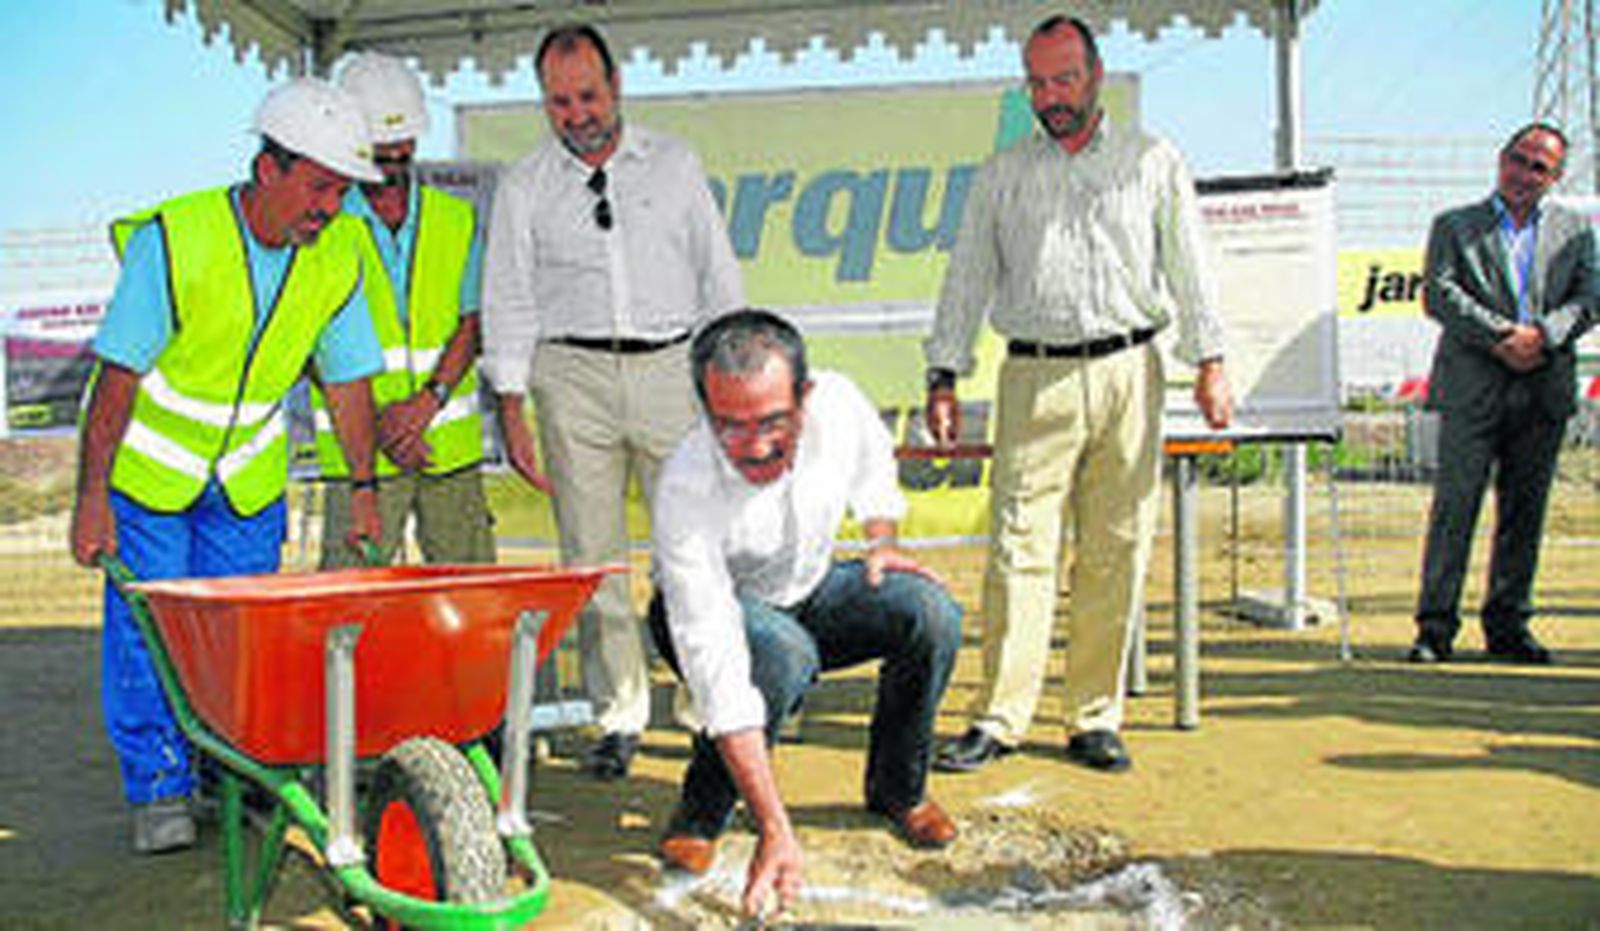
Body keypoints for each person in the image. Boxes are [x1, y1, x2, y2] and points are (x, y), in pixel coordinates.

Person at [69, 78, 385, 854]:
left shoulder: (340, 250)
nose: (330, 206)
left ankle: (229, 772)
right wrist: (90, 497)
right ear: (267, 168)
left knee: (240, 638)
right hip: (147, 478)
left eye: (342, 190)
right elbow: (118, 377)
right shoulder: (176, 238)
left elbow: (347, 381)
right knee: (150, 633)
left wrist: (365, 489)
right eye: (318, 186)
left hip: (244, 481)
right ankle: (158, 789)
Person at [924, 15, 1232, 775]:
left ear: (1096, 77)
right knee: (1017, 550)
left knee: (1116, 548)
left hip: (1132, 370)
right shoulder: (1001, 174)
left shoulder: (1152, 160)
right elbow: (966, 277)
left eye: (1064, 79)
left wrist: (1211, 357)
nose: (1051, 96)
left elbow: (1189, 264)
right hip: (1033, 376)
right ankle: (1000, 716)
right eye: (1038, 83)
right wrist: (943, 372)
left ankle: (1093, 715)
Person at [482, 23, 744, 780]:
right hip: (571, 379)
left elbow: (718, 277)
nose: (577, 113)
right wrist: (510, 407)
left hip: (673, 370)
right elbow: (508, 297)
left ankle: (708, 708)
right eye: (559, 101)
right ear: (545, 104)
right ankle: (617, 713)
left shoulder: (675, 163)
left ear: (617, 86)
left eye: (588, 95)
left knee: (691, 550)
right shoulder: (526, 185)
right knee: (592, 560)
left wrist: (731, 376)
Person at [648, 309, 963, 912]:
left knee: (930, 611)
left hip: (812, 591)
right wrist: (775, 828)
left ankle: (899, 791)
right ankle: (703, 810)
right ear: (705, 413)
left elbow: (875, 470)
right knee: (779, 654)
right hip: (714, 616)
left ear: (806, 396)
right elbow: (715, 662)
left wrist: (882, 540)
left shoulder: (839, 404)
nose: (757, 445)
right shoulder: (686, 488)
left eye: (774, 421)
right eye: (730, 427)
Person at [1410, 123, 1596, 665]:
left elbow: (1591, 296)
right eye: (1518, 160)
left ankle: (1509, 625)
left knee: (1524, 512)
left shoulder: (1576, 230)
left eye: (1539, 167)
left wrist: (1543, 335)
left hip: (1543, 389)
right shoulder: (1454, 226)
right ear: (1501, 159)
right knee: (1455, 508)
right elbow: (1439, 295)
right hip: (1472, 389)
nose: (1524, 173)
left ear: (1555, 177)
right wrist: (1501, 337)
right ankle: (1435, 627)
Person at [312, 53, 496, 568]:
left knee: (471, 607)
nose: (393, 164)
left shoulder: (455, 220)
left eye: (402, 151)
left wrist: (424, 406)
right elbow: (311, 346)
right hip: (360, 460)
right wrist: (380, 430)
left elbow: (471, 322)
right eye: (379, 155)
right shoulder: (320, 228)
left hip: (447, 452)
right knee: (347, 617)